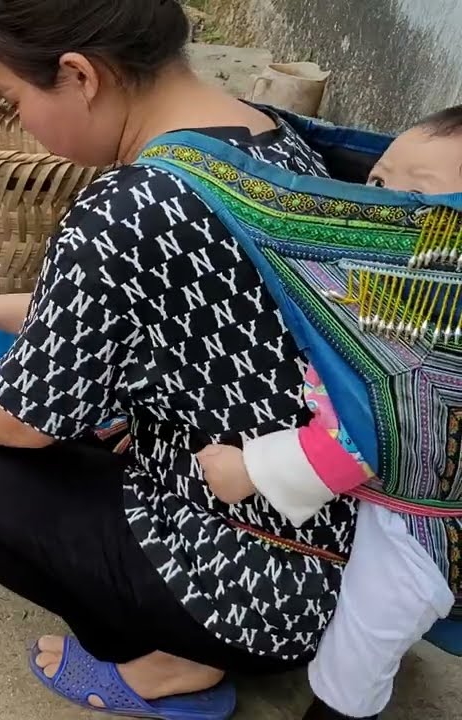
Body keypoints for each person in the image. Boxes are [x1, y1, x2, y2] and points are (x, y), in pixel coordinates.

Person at [0, 1, 357, 717]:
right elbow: (139, 311)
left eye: (16, 101)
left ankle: (170, 663)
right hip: (336, 542)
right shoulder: (266, 135)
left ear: (80, 76)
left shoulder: (126, 209)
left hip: (255, 586)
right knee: (73, 419)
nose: (24, 126)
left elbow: (21, 420)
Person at [197, 106, 462, 720]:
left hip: (417, 533)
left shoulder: (428, 335)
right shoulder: (391, 286)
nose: (378, 204)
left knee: (357, 656)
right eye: (377, 181)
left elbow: (361, 439)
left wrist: (247, 470)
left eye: (414, 197)